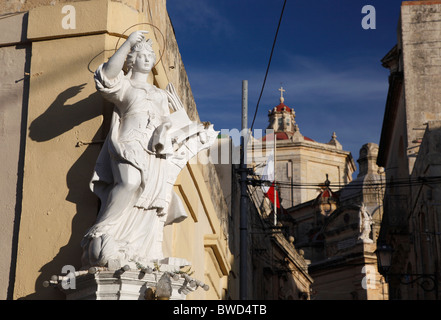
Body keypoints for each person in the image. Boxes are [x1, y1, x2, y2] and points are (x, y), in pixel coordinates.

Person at [81, 30, 217, 268]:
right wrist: (128, 44)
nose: (148, 58)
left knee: (149, 200)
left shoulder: (159, 94)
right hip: (130, 142)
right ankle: (101, 230)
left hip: (155, 150)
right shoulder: (127, 86)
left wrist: (184, 120)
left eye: (151, 55)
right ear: (132, 60)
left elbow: (171, 126)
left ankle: (138, 248)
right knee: (129, 183)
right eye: (142, 54)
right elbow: (106, 77)